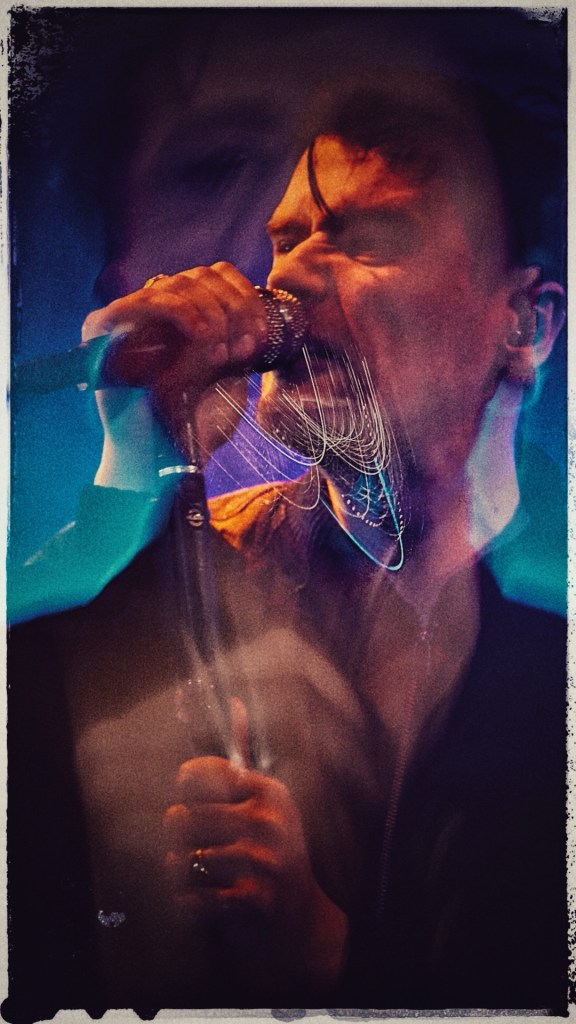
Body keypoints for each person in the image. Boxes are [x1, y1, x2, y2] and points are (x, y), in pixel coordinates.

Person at [6, 68, 567, 1020]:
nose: (289, 280)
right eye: (287, 240)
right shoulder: (204, 564)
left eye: (367, 237)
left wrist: (337, 962)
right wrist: (138, 453)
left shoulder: (551, 641)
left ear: (524, 323)